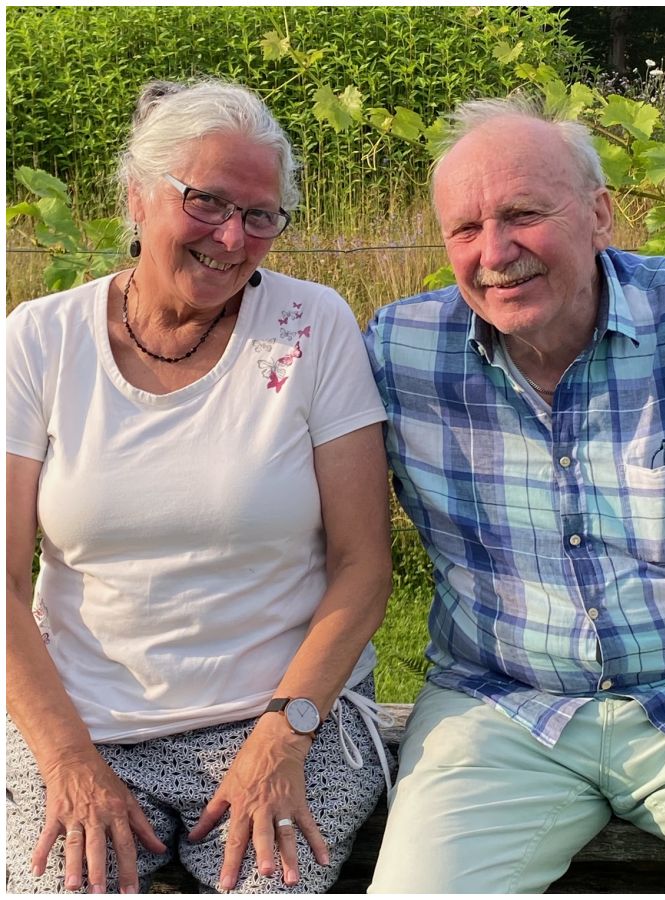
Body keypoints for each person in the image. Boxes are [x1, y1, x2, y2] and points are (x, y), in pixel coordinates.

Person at [364, 95, 665, 893]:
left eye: (523, 213)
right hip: (499, 713)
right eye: (465, 229)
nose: (496, 251)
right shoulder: (399, 349)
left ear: (599, 214)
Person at [5, 78, 394, 894]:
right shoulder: (39, 341)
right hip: (83, 726)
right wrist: (70, 760)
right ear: (138, 195)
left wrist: (282, 737)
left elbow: (363, 566)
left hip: (285, 720)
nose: (232, 237)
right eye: (208, 202)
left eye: (261, 216)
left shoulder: (313, 327)